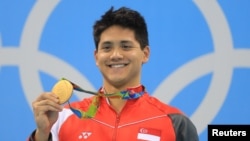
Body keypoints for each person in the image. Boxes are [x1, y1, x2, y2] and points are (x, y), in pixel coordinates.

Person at [28, 6, 199, 141]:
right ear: (97, 57)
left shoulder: (176, 123)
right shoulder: (63, 118)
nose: (116, 55)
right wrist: (42, 134)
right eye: (107, 47)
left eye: (126, 46)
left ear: (145, 54)